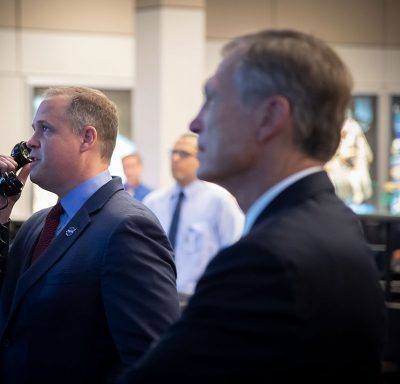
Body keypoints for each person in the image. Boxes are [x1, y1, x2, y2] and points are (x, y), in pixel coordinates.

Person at [119, 29, 386, 383]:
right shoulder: (333, 223)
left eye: (211, 99)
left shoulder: (265, 260)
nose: (195, 123)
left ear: (269, 117)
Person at [0, 87, 180, 384]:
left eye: (45, 130)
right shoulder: (37, 225)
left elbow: (154, 363)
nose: (30, 143)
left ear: (87, 138)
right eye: (33, 130)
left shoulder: (128, 228)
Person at [143, 133, 244, 298]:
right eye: (173, 153)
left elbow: (236, 249)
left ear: (200, 157)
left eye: (184, 154)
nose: (175, 159)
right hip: (158, 295)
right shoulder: (154, 202)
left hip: (202, 297)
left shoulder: (219, 200)